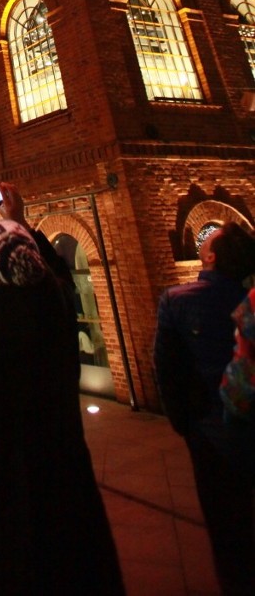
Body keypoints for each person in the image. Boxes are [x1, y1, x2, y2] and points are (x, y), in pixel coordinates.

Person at [0, 217, 123, 595]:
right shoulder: (58, 317)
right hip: (70, 511)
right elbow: (60, 279)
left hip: (1, 523)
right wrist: (22, 224)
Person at [155, 220, 255, 595]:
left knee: (228, 531)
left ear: (211, 256)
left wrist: (184, 423)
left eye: (209, 238)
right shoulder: (249, 299)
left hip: (211, 433)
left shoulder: (178, 300)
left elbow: (166, 371)